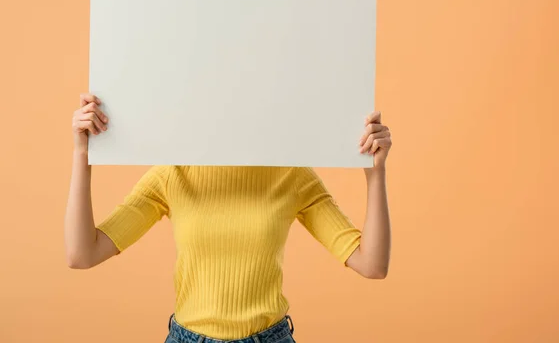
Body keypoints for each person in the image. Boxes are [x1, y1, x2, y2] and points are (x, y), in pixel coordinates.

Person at [65, 93, 392, 343]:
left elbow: (372, 264)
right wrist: (83, 155)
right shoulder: (174, 172)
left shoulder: (291, 173)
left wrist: (375, 173)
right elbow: (83, 253)